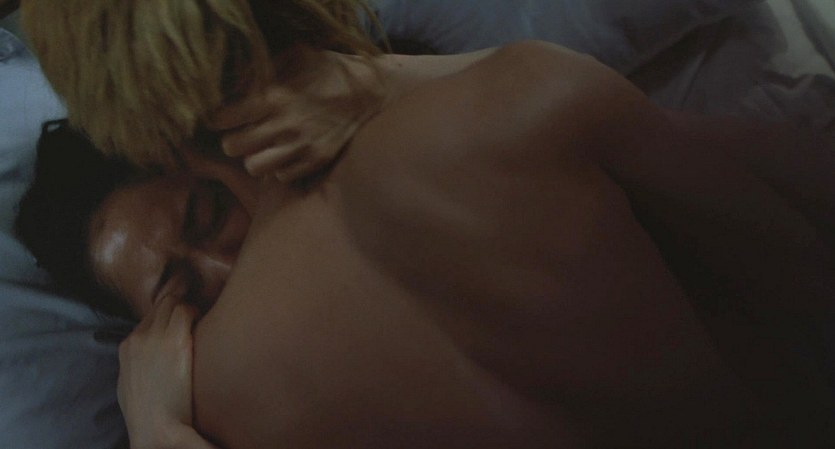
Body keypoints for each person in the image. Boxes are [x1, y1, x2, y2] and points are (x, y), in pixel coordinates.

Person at [18, 1, 835, 448]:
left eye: (205, 218)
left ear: (159, 142)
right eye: (179, 293)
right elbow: (803, 272)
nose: (222, 272)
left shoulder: (223, 402)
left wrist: (159, 431)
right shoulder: (516, 100)